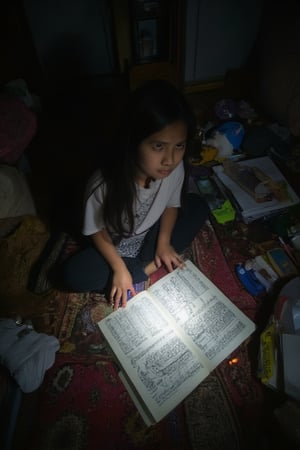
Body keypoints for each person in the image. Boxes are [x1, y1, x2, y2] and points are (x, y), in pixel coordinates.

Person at [59, 79, 209, 309]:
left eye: (179, 146)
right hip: (115, 244)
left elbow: (171, 204)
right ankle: (144, 268)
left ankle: (144, 264)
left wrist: (164, 242)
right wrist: (119, 268)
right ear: (134, 141)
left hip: (150, 234)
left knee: (198, 206)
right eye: (158, 146)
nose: (170, 160)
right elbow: (97, 232)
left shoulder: (175, 168)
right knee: (74, 275)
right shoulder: (103, 185)